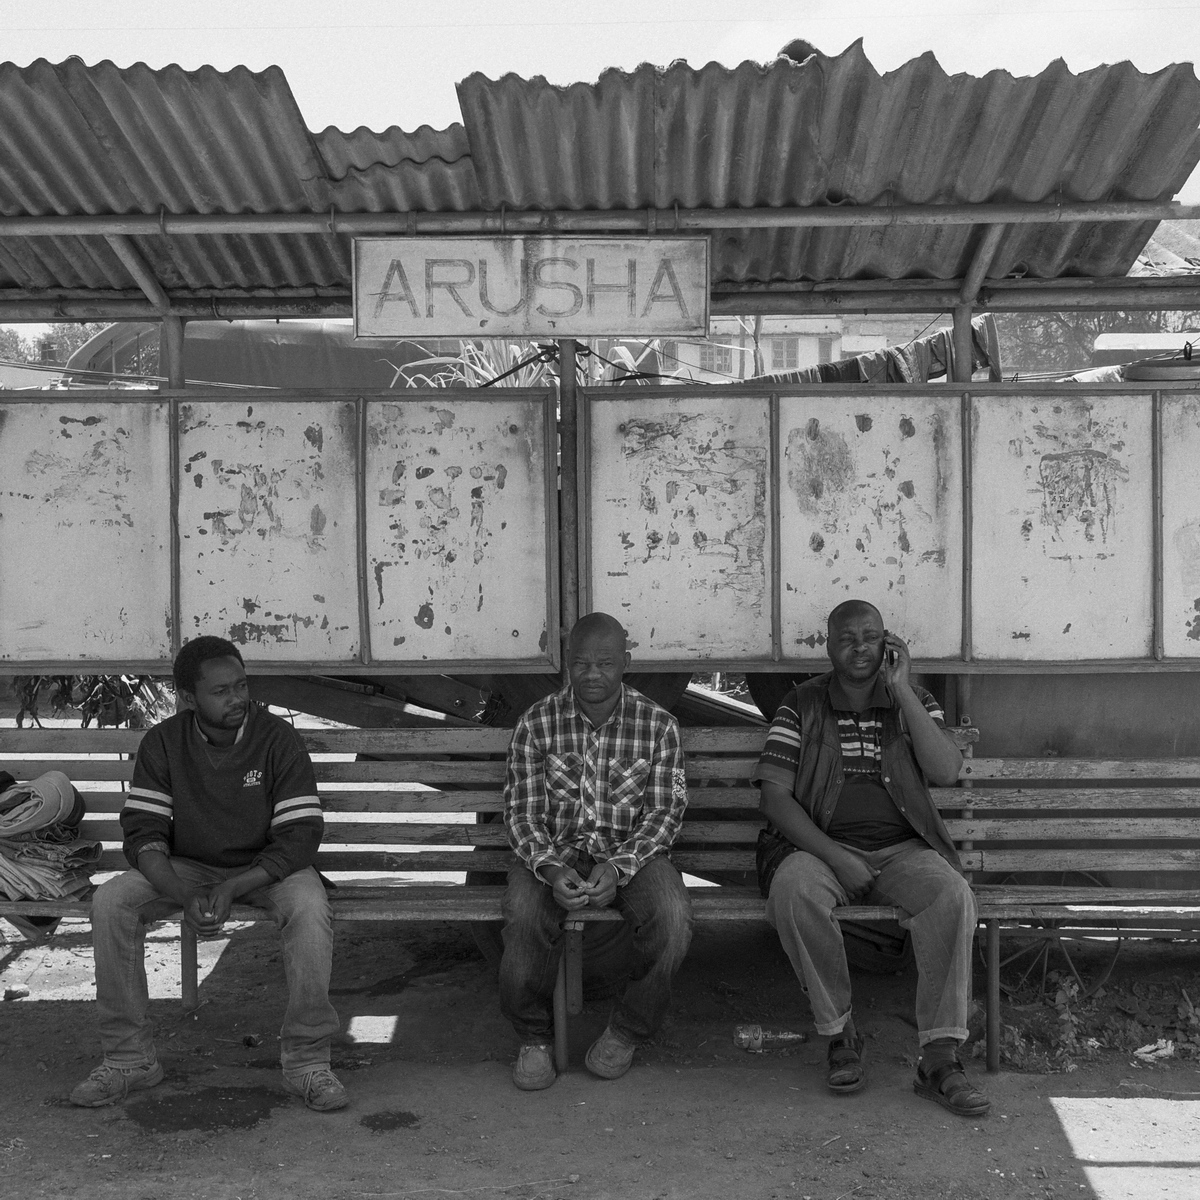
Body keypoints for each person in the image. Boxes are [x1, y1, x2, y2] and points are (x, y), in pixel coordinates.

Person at [71, 636, 346, 1112]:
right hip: (189, 867)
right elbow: (144, 835)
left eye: (241, 685)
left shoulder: (276, 738)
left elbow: (300, 835)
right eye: (222, 691)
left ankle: (307, 1062)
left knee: (308, 905)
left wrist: (235, 885)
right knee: (112, 900)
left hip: (265, 868)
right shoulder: (163, 742)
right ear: (188, 697)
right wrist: (182, 892)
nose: (237, 698)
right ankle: (129, 1059)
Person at [752, 599, 989, 1117]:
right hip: (819, 847)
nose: (860, 647)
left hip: (903, 849)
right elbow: (774, 797)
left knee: (951, 895)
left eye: (871, 636)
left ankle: (940, 1059)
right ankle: (841, 1035)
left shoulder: (914, 699)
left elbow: (946, 769)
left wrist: (902, 689)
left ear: (888, 642)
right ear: (827, 644)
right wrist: (837, 857)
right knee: (793, 891)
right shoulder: (801, 704)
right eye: (846, 637)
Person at [500, 612, 694, 1089]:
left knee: (673, 920)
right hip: (554, 852)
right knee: (522, 914)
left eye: (605, 663)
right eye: (581, 663)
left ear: (626, 662)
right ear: (566, 664)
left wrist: (619, 866)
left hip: (632, 853)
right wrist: (548, 868)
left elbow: (665, 813)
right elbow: (521, 814)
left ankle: (626, 1031)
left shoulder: (658, 726)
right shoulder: (536, 723)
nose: (592, 674)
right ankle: (533, 1038)